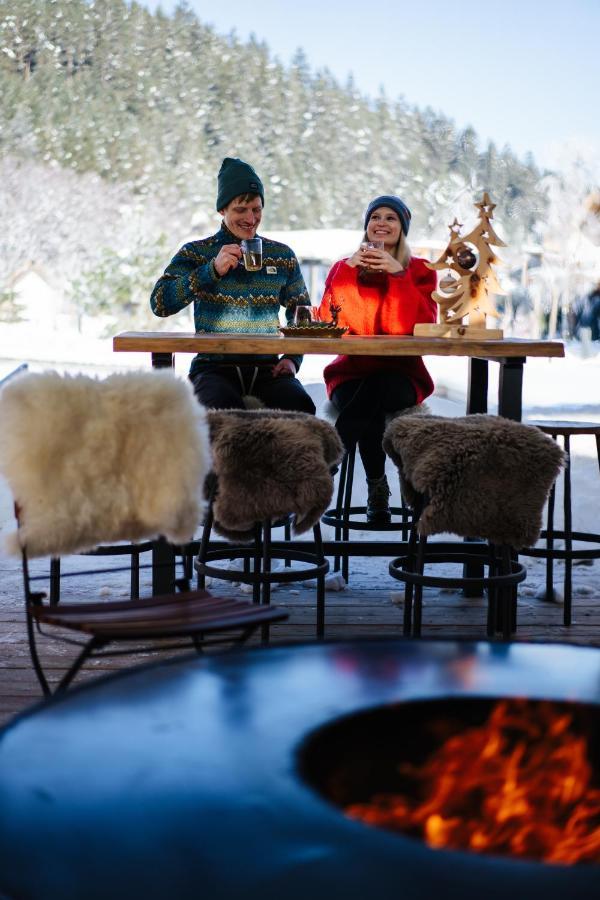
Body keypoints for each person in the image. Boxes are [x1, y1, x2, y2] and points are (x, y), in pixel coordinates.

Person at [150, 157, 316, 415]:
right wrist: (211, 271)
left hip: (268, 369)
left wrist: (292, 359)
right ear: (222, 210)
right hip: (212, 367)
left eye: (257, 209)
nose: (251, 219)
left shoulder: (281, 255)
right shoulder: (197, 252)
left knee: (301, 409)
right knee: (221, 415)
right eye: (241, 210)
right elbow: (160, 303)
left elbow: (302, 314)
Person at [318, 195, 437, 523]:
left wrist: (399, 277)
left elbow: (416, 326)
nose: (381, 223)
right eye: (375, 217)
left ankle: (327, 466)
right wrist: (347, 272)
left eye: (391, 218)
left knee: (376, 387)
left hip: (402, 377)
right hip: (350, 374)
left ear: (403, 229)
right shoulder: (345, 268)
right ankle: (377, 487)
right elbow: (330, 322)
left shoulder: (420, 271)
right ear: (366, 225)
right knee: (368, 395)